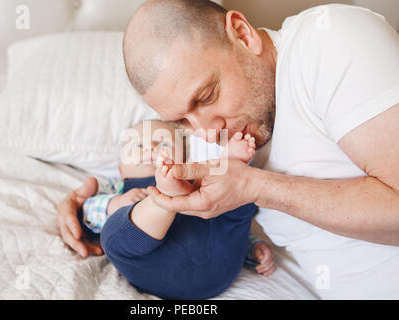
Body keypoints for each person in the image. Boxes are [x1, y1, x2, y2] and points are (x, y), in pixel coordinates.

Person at [57, 0, 399, 299]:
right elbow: (143, 165)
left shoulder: (331, 42)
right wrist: (87, 203)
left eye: (206, 96)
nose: (207, 130)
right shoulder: (206, 137)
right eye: (182, 123)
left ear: (242, 32)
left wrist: (256, 187)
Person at [79, 119, 274, 299]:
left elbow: (221, 228)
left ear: (184, 159)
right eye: (138, 146)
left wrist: (252, 247)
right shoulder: (117, 187)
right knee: (112, 234)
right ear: (121, 169)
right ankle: (164, 199)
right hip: (158, 268)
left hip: (219, 265)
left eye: (164, 144)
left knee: (225, 199)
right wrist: (114, 204)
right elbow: (88, 211)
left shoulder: (194, 179)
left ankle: (227, 167)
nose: (151, 148)